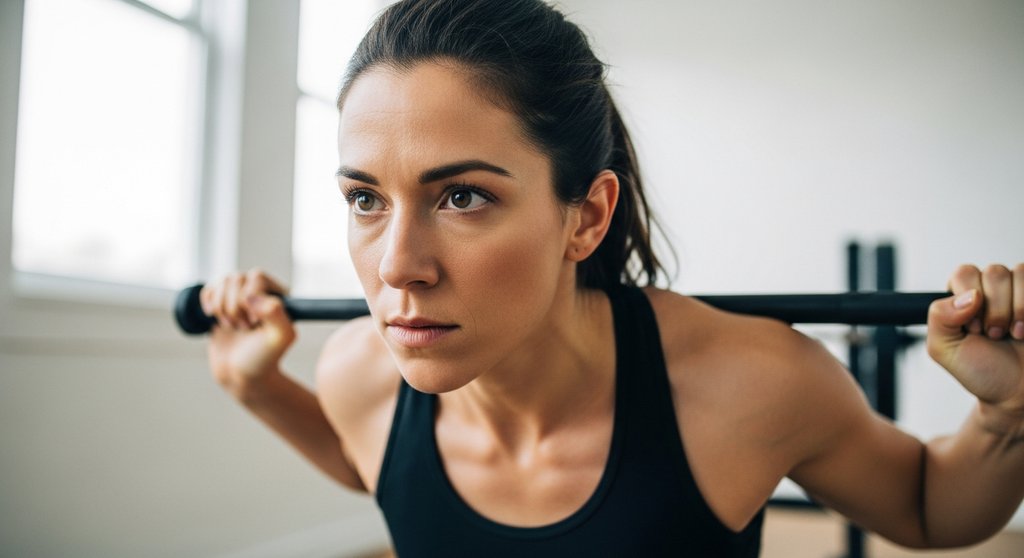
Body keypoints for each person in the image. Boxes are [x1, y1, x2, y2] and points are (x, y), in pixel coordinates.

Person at [200, 0, 1024, 555]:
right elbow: (375, 468)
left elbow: (925, 507)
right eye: (365, 199)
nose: (397, 266)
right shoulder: (355, 376)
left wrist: (1007, 416)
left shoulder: (753, 384)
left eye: (462, 196)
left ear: (586, 217)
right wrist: (258, 388)